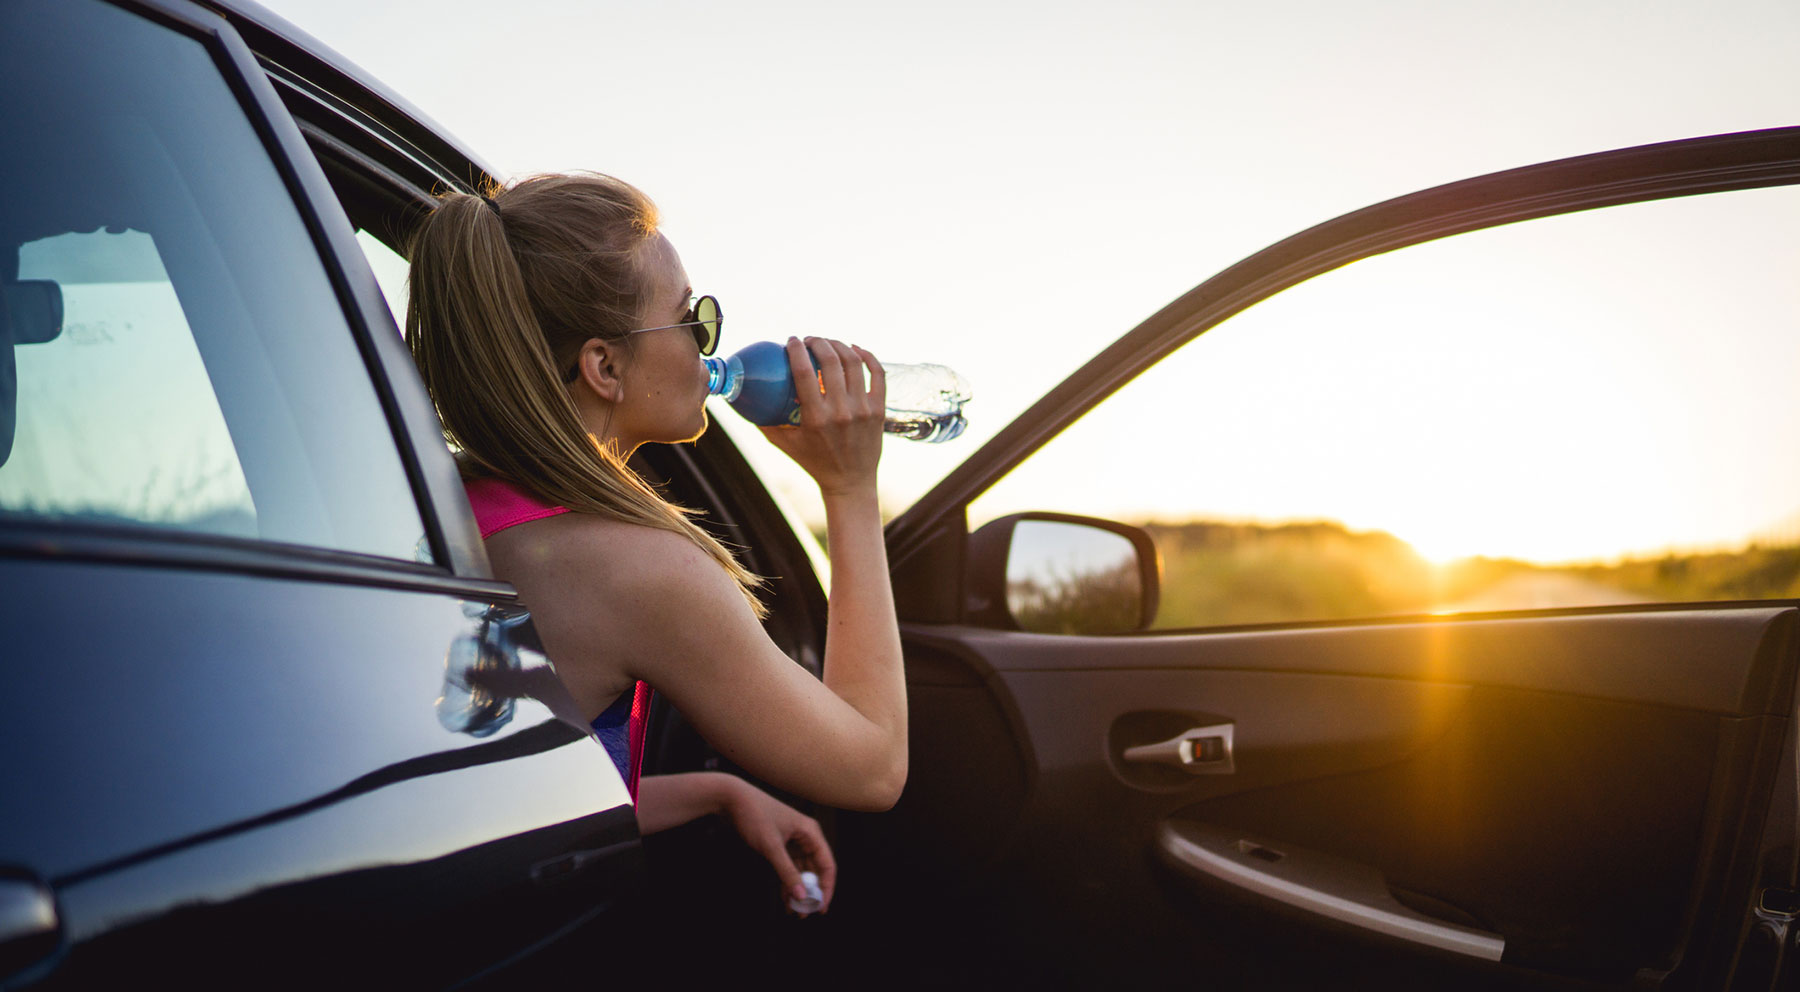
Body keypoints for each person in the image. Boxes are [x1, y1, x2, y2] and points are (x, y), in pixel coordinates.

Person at [404, 173, 906, 915]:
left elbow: (492, 796)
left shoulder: (451, 511)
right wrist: (853, 492)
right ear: (604, 366)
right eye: (690, 320)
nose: (707, 344)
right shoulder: (636, 571)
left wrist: (715, 791)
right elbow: (873, 769)